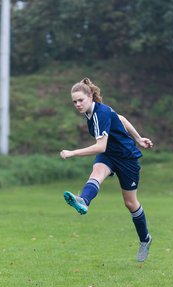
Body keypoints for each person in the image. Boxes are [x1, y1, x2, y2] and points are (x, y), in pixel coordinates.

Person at [60, 78, 153, 262]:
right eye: (74, 101)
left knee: (130, 203)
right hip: (109, 156)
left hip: (127, 158)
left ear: (90, 97)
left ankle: (145, 239)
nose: (77, 104)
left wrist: (73, 153)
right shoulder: (92, 112)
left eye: (80, 100)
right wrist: (139, 138)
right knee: (97, 173)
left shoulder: (99, 113)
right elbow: (121, 118)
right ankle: (83, 201)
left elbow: (100, 146)